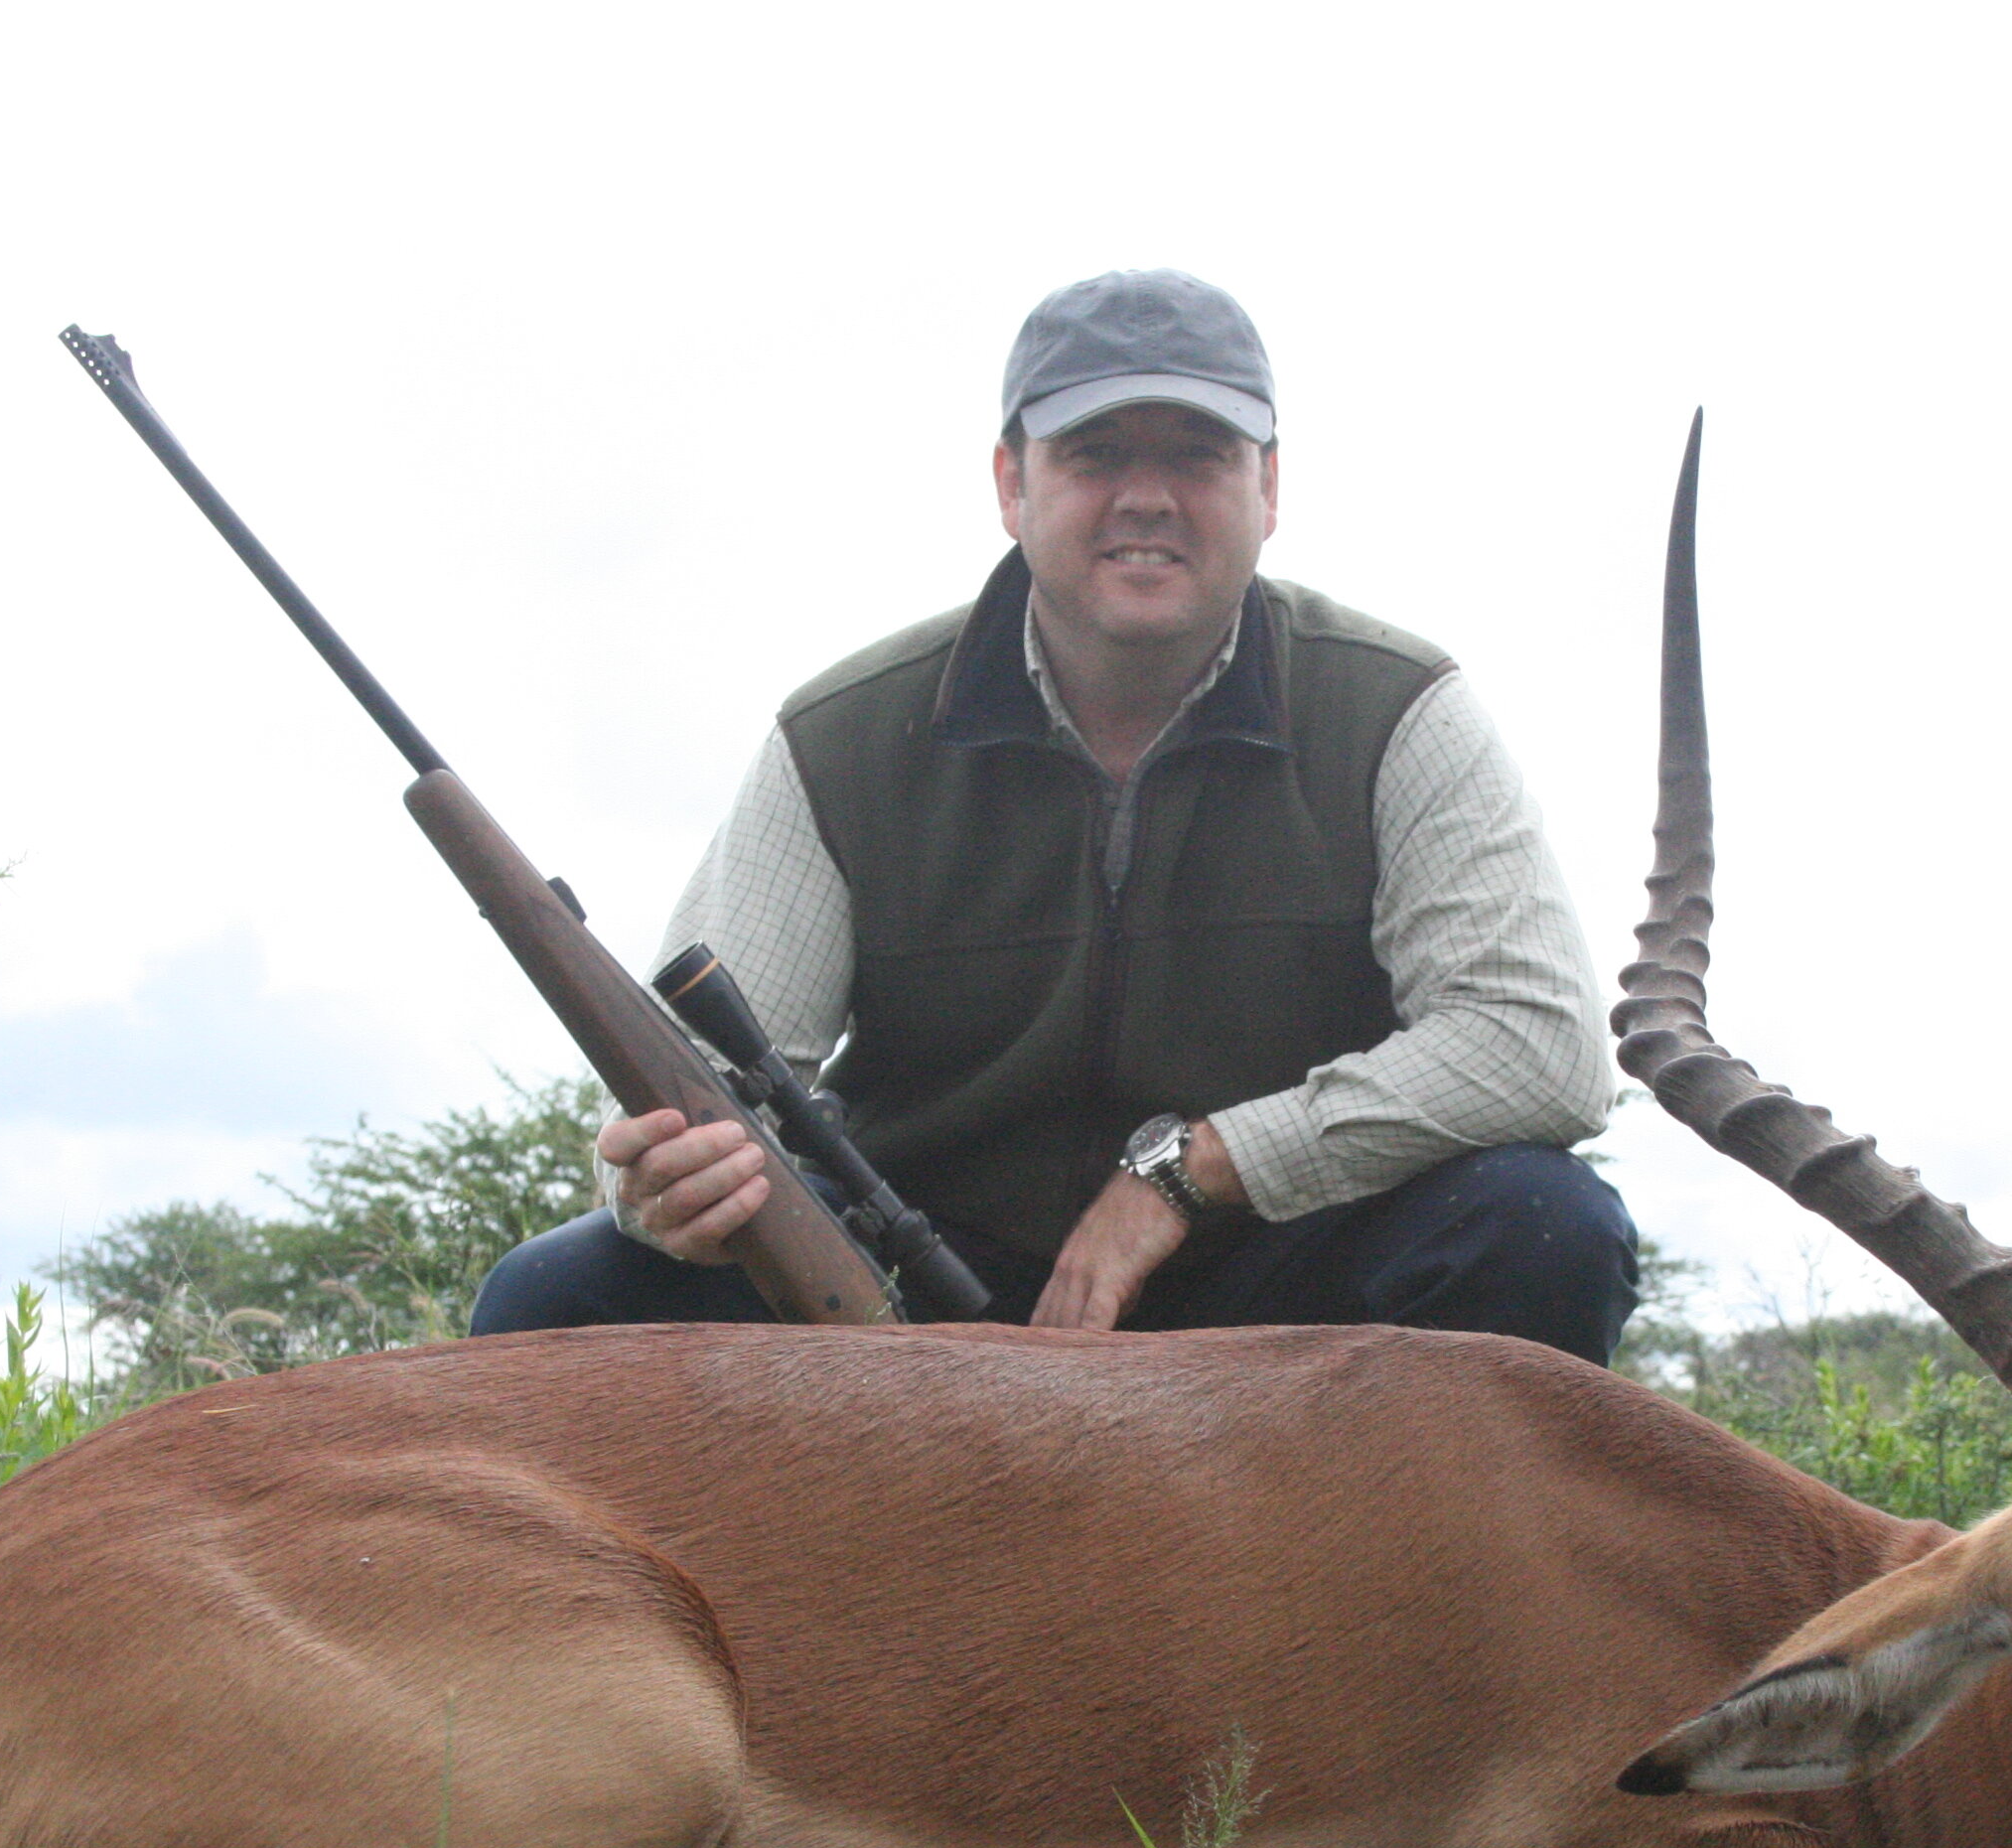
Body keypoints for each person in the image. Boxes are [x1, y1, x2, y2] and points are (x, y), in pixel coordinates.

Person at [471, 270, 1635, 1362]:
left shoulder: (1398, 710)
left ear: (1269, 487)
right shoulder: (839, 737)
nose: (1147, 496)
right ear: (1010, 484)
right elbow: (702, 1091)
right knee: (559, 1299)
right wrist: (655, 1190)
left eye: (1199, 454)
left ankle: (1404, 1582)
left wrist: (1187, 1175)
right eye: (1093, 454)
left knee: (1541, 1227)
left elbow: (1540, 1049)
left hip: (1275, 1296)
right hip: (916, 1303)